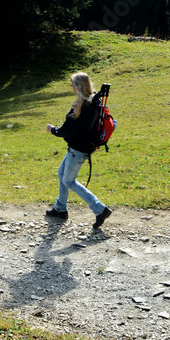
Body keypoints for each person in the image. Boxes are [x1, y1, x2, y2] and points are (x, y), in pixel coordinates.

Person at [45, 71, 112, 229]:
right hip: (81, 148)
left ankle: (100, 209)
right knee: (61, 174)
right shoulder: (94, 101)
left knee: (69, 180)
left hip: (78, 150)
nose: (71, 87)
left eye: (72, 85)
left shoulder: (81, 106)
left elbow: (67, 130)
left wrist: (52, 130)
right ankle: (60, 209)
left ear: (77, 87)